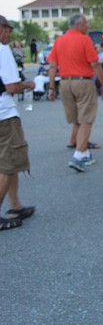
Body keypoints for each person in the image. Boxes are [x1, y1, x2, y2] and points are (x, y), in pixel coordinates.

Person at [46, 14, 103, 172]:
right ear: (79, 25)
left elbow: (52, 66)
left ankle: (85, 152)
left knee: (77, 120)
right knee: (86, 119)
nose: (88, 26)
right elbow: (95, 64)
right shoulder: (84, 40)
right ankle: (78, 155)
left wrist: (52, 88)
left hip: (65, 83)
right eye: (86, 23)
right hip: (83, 82)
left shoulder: (59, 40)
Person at [0, 16, 36, 231]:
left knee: (7, 162)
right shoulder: (3, 51)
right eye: (6, 29)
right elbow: (12, 86)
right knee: (10, 162)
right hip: (4, 113)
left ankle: (15, 204)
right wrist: (28, 83)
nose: (8, 34)